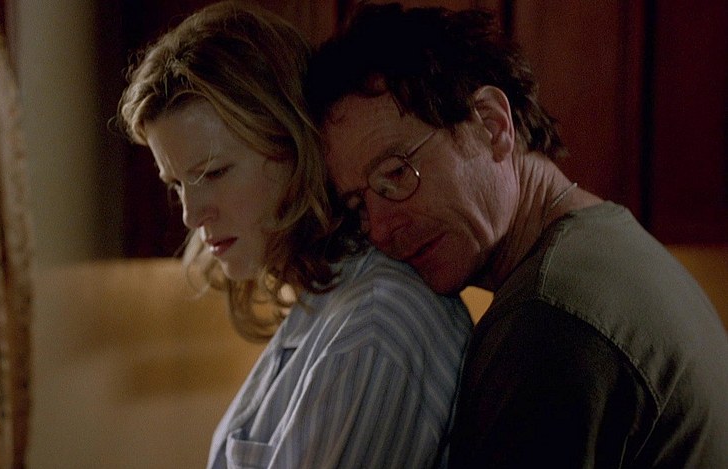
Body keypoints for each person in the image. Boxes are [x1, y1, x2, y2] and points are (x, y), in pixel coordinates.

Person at [305, 3, 728, 467]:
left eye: (396, 173)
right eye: (358, 206)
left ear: (492, 126)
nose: (382, 229)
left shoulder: (547, 323)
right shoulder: (610, 244)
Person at [117, 2, 472, 467]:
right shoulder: (326, 306)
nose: (191, 214)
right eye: (177, 184)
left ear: (298, 149)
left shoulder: (371, 329)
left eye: (215, 173)